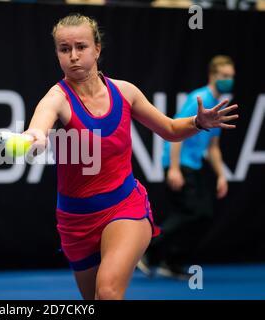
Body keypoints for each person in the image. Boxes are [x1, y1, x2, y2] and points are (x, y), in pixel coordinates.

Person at [23, 15, 238, 300]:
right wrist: (35, 136)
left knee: (108, 292)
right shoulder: (56, 97)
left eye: (81, 47)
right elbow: (40, 124)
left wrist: (197, 123)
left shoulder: (125, 92)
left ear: (97, 49)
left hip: (124, 207)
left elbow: (171, 129)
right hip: (74, 221)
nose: (73, 56)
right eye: (64, 49)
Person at [138, 55, 236, 280]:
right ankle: (148, 249)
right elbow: (175, 132)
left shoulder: (220, 104)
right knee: (194, 212)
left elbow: (213, 147)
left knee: (204, 215)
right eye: (224, 76)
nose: (228, 81)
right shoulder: (199, 98)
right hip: (179, 163)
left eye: (231, 77)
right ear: (212, 75)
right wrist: (174, 169)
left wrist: (221, 175)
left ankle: (171, 262)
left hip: (194, 164)